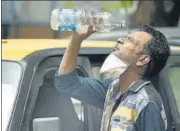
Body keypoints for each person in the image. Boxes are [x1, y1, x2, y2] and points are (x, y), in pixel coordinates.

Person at [55, 24, 170, 131]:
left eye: (129, 40)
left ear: (142, 60)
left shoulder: (146, 102)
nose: (120, 40)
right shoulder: (112, 89)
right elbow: (66, 83)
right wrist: (77, 39)